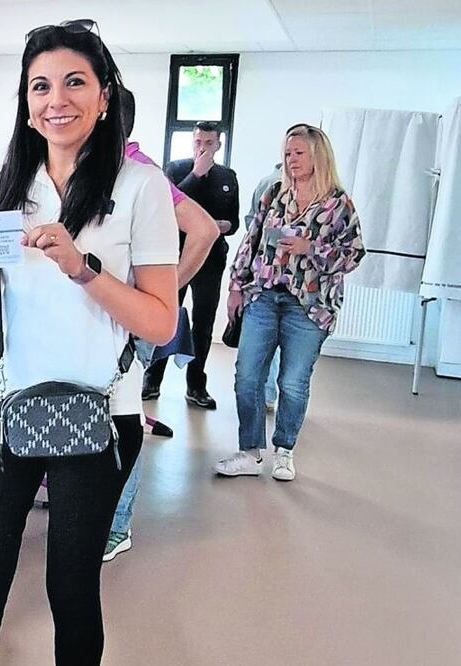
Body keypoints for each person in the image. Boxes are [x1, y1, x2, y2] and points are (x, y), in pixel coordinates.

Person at [0, 20, 178, 664]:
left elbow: (160, 323)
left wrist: (84, 269)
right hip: (1, 400)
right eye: (40, 86)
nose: (56, 100)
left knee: (70, 588)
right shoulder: (7, 183)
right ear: (26, 101)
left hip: (99, 407)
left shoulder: (141, 188)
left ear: (103, 97)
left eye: (75, 82)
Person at [103, 88, 219, 563]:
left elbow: (205, 229)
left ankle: (116, 524)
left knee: (123, 417)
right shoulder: (98, 169)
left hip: (129, 321)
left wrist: (163, 293)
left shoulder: (139, 171)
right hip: (100, 317)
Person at [216, 124, 365, 481]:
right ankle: (250, 451)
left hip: (310, 306)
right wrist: (235, 286)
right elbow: (251, 241)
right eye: (287, 153)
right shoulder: (274, 194)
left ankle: (284, 450)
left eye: (298, 153)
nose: (291, 159)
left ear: (317, 155)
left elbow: (354, 254)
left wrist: (310, 248)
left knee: (293, 381)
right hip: (264, 295)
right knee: (247, 375)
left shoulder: (338, 203)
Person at [143, 121, 240, 410]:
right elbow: (164, 207)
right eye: (198, 142)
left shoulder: (227, 176)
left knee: (203, 322)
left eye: (209, 143)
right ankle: (152, 380)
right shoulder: (175, 170)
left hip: (211, 259)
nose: (203, 148)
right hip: (176, 256)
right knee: (166, 317)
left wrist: (222, 226)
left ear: (218, 145)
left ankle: (196, 385)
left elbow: (234, 221)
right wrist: (196, 174)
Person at [249, 163, 285, 412]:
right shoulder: (271, 185)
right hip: (268, 278)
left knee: (268, 342)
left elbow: (250, 223)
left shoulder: (328, 194)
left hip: (267, 276)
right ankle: (268, 393)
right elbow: (254, 224)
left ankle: (267, 394)